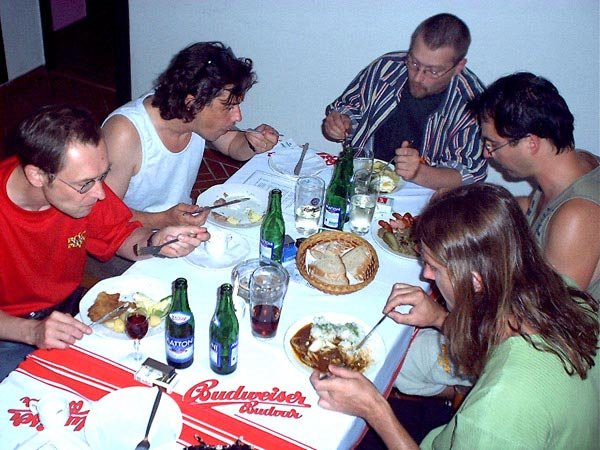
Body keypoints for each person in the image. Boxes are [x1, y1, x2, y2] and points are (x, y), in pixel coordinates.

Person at [311, 183, 599, 449]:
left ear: (475, 280)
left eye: (434, 267)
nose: (426, 275)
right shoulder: (560, 292)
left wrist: (374, 410)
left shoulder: (498, 407)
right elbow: (505, 349)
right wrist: (440, 318)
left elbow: (500, 405)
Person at [0, 105, 208, 380]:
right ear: (37, 175)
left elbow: (123, 237)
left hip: (68, 306)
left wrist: (157, 241)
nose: (100, 194)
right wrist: (32, 332)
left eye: (102, 176)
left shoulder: (84, 189)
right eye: (86, 183)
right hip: (10, 330)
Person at [102, 41, 280, 229]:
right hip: (130, 236)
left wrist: (253, 143)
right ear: (192, 103)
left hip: (176, 227)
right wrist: (163, 219)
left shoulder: (191, 116)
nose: (238, 117)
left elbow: (232, 145)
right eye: (228, 107)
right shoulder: (124, 133)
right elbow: (103, 214)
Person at [323, 13, 486, 189]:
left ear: (458, 66)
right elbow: (349, 108)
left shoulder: (473, 103)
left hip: (424, 192)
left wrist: (419, 172)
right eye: (414, 63)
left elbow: (470, 175)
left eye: (433, 71)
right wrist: (341, 123)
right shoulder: (387, 67)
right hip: (362, 178)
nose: (417, 77)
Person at [474, 72, 600, 300]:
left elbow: (552, 312)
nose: (487, 153)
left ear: (531, 143)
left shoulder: (577, 216)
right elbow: (534, 209)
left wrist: (441, 316)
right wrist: (469, 208)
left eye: (492, 144)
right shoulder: (573, 164)